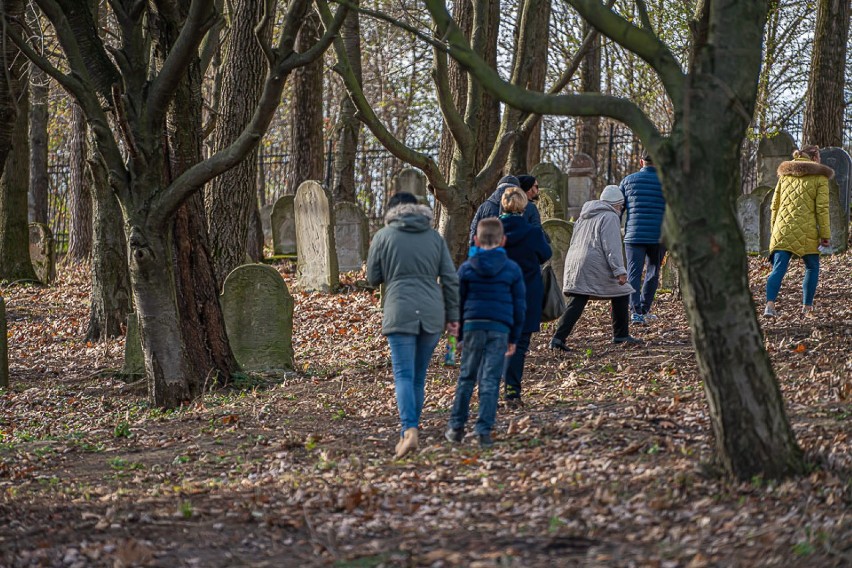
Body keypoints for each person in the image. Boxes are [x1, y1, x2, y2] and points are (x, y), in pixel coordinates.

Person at [367, 192, 460, 459]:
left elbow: (373, 277)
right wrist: (452, 317)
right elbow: (451, 280)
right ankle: (410, 430)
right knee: (418, 377)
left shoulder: (384, 236)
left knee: (403, 375)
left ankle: (409, 431)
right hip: (432, 313)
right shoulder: (434, 237)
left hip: (400, 310)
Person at [446, 218, 526, 448]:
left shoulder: (468, 268)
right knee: (490, 379)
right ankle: (483, 430)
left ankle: (456, 426)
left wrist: (457, 337)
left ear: (476, 240)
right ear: (503, 241)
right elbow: (519, 306)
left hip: (472, 325)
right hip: (499, 327)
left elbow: (458, 304)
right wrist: (514, 337)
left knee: (467, 377)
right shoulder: (512, 269)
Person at [549, 185, 640, 351]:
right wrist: (619, 270)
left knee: (579, 298)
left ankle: (558, 338)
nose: (621, 210)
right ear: (616, 204)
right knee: (621, 291)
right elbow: (611, 246)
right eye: (620, 206)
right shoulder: (610, 216)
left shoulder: (584, 216)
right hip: (594, 262)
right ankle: (620, 334)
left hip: (576, 260)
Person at [764, 145, 832, 318]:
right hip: (807, 231)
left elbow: (774, 205)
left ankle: (769, 305)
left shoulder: (785, 175)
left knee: (779, 268)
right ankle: (806, 308)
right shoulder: (820, 178)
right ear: (815, 158)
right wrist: (825, 235)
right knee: (812, 266)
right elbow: (822, 209)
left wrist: (774, 230)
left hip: (782, 229)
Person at [499, 187, 552, 408]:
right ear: (523, 206)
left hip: (497, 293)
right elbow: (546, 254)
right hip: (526, 293)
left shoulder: (492, 231)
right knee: (518, 344)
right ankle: (512, 390)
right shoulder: (532, 232)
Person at [619, 152, 666, 325]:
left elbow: (619, 208)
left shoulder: (627, 181)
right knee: (653, 272)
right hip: (659, 235)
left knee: (634, 273)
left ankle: (635, 311)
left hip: (634, 235)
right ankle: (645, 308)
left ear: (641, 162)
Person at [468, 175, 542, 246]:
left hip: (490, 253)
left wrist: (475, 254)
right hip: (520, 254)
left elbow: (474, 232)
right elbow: (537, 233)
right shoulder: (529, 206)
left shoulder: (484, 207)